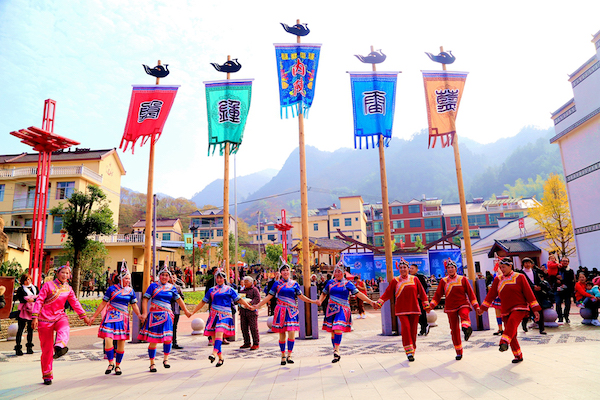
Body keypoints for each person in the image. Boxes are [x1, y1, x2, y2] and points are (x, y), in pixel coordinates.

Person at [32, 263, 90, 385]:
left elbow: (75, 302)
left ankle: (59, 346)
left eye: (67, 273)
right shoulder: (48, 285)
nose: (64, 275)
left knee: (65, 328)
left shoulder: (68, 289)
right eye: (62, 272)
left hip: (59, 316)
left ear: (69, 275)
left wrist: (84, 316)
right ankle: (47, 375)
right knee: (47, 350)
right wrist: (35, 317)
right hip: (45, 319)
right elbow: (39, 300)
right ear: (57, 274)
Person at [254, 261, 319, 365]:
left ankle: (290, 354)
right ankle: (283, 355)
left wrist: (313, 301)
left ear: (290, 272)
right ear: (280, 272)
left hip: (291, 311)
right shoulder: (277, 284)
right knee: (282, 333)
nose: (285, 272)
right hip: (281, 311)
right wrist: (258, 305)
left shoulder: (294, 284)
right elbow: (269, 296)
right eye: (283, 270)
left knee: (292, 332)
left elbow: (301, 296)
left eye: (287, 270)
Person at [478, 257, 541, 363]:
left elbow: (529, 293)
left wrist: (535, 309)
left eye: (504, 267)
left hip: (520, 307)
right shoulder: (498, 279)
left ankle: (503, 341)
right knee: (512, 333)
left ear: (510, 266)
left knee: (511, 324)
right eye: (500, 267)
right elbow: (491, 295)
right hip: (505, 309)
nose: (502, 269)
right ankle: (518, 355)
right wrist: (483, 308)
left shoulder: (520, 277)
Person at [192, 269, 253, 367]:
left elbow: (239, 299)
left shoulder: (229, 289)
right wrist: (193, 312)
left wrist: (248, 306)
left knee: (219, 331)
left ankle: (213, 353)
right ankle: (220, 358)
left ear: (224, 279)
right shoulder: (211, 290)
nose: (219, 279)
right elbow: (203, 302)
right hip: (213, 315)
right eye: (217, 277)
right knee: (214, 338)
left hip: (225, 315)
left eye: (221, 278)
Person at [89, 265, 142, 375]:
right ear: (120, 278)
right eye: (126, 278)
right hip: (111, 316)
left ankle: (118, 365)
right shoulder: (111, 289)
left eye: (129, 278)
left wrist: (139, 315)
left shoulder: (130, 291)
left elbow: (134, 305)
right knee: (108, 338)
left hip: (123, 318)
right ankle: (110, 362)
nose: (128, 281)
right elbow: (103, 303)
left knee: (121, 341)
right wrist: (94, 316)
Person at [318, 264, 377, 363]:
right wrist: (320, 301)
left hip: (343, 308)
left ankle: (336, 350)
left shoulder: (348, 283)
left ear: (343, 273)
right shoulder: (330, 283)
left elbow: (358, 294)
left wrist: (370, 302)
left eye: (339, 272)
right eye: (336, 271)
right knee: (333, 330)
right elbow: (324, 293)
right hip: (331, 309)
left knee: (337, 326)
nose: (337, 273)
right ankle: (335, 351)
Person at [375, 259, 430, 362]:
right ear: (398, 269)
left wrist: (426, 305)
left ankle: (412, 349)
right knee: (406, 329)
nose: (403, 269)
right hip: (401, 310)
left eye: (404, 267)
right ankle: (408, 351)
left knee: (413, 331)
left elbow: (422, 293)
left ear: (408, 269)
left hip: (414, 309)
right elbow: (388, 292)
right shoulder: (395, 280)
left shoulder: (415, 279)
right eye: (401, 268)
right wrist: (380, 302)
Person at [138, 267, 192, 372]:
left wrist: (186, 311)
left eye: (167, 275)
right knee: (153, 340)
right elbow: (145, 299)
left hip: (167, 315)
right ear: (159, 276)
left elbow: (179, 300)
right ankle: (152, 363)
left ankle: (166, 359)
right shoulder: (153, 286)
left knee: (168, 338)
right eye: (162, 275)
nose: (164, 277)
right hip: (154, 316)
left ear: (169, 277)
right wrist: (144, 313)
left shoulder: (172, 287)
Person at [429, 259, 480, 360]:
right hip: (450, 307)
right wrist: (430, 306)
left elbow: (471, 294)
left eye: (452, 267)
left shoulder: (463, 279)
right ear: (446, 270)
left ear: (456, 269)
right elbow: (438, 295)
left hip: (463, 304)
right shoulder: (443, 281)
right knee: (454, 330)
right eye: (448, 268)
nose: (450, 269)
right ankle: (459, 351)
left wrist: (476, 306)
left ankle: (466, 329)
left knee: (464, 316)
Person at [518, 257, 551, 334]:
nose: (528, 264)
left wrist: (539, 287)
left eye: (529, 263)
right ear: (523, 264)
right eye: (526, 263)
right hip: (526, 295)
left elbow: (539, 281)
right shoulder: (520, 273)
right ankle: (524, 324)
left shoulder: (535, 272)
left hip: (536, 294)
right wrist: (533, 287)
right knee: (527, 311)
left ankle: (541, 328)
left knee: (539, 310)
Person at [15, 273, 39, 356]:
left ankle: (29, 347)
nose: (28, 281)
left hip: (33, 310)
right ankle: (18, 348)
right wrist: (28, 299)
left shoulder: (35, 288)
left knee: (30, 329)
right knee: (20, 329)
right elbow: (20, 298)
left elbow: (39, 297)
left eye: (29, 279)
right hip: (24, 310)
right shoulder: (21, 289)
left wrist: (33, 300)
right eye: (26, 280)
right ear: (23, 281)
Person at [239, 276, 261, 350]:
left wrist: (250, 303)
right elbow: (239, 299)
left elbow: (257, 298)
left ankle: (256, 343)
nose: (245, 283)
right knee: (244, 328)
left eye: (246, 282)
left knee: (253, 328)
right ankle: (247, 342)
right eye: (244, 282)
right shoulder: (242, 291)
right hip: (243, 312)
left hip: (252, 312)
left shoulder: (255, 290)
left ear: (251, 282)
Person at [409, 263, 430, 336]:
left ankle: (424, 327)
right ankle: (423, 328)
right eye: (410, 268)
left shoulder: (420, 277)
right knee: (415, 314)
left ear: (416, 269)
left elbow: (424, 287)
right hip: (412, 299)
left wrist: (420, 295)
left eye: (412, 268)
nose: (410, 270)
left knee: (421, 313)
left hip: (420, 299)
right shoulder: (408, 277)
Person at [554, 257, 575, 323]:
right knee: (558, 303)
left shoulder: (570, 270)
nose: (565, 262)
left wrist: (562, 281)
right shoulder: (556, 269)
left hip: (567, 290)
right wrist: (556, 279)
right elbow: (551, 277)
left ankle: (566, 316)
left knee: (567, 304)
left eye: (566, 261)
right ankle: (560, 317)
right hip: (558, 289)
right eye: (563, 261)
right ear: (561, 262)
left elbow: (571, 280)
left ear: (568, 262)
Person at [170, 274, 185, 350]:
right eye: (171, 277)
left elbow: (182, 297)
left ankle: (174, 342)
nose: (172, 279)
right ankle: (167, 342)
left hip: (176, 310)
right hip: (168, 309)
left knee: (174, 326)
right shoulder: (166, 287)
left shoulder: (178, 287)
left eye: (174, 277)